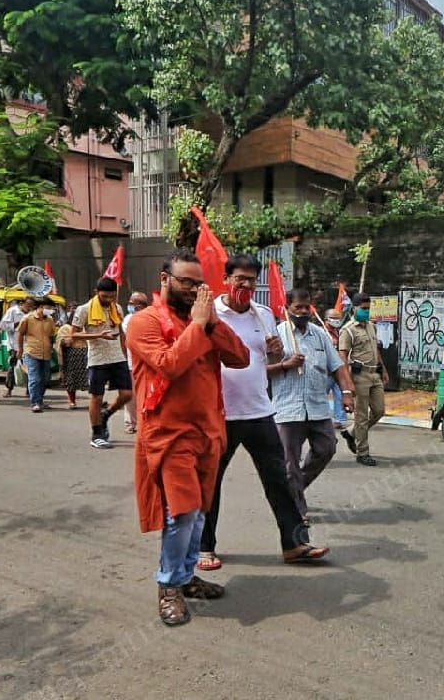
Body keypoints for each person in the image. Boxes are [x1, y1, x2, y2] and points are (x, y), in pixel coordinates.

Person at [126, 250, 249, 626]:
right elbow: (169, 364)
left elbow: (240, 358)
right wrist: (198, 325)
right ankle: (168, 587)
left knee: (198, 515)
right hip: (168, 434)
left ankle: (185, 575)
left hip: (208, 432)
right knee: (181, 512)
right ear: (164, 280)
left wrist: (211, 324)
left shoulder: (205, 321)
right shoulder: (143, 323)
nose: (195, 289)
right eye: (186, 282)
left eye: (199, 283)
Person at [199, 254, 330, 571]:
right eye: (239, 278)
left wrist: (277, 352)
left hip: (259, 411)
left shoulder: (264, 314)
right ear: (226, 280)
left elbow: (271, 360)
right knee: (210, 483)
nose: (245, 285)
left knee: (280, 480)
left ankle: (294, 543)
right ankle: (204, 547)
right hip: (221, 414)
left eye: (251, 280)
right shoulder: (210, 313)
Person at [270, 289, 355, 522]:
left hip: (317, 407)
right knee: (290, 463)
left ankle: (293, 489)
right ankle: (297, 510)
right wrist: (285, 363)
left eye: (307, 307)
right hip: (288, 410)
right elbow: (261, 371)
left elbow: (337, 366)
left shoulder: (319, 335)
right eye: (298, 307)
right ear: (286, 309)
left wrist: (346, 392)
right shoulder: (276, 336)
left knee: (327, 448)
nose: (304, 312)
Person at [73, 278, 133, 448]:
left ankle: (106, 414)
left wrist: (125, 352)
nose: (108, 300)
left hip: (118, 358)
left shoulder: (117, 308)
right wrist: (98, 336)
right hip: (97, 359)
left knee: (127, 394)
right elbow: (74, 335)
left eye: (112, 297)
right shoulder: (83, 310)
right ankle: (97, 433)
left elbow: (120, 332)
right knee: (97, 397)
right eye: (105, 296)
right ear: (96, 292)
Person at [337, 293, 389, 466]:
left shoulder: (371, 327)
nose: (366, 312)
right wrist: (347, 381)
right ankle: (362, 452)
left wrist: (384, 369)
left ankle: (350, 432)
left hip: (374, 373)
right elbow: (342, 357)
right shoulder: (348, 330)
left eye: (368, 309)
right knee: (361, 415)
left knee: (379, 411)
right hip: (359, 376)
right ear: (354, 308)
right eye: (363, 309)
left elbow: (376, 350)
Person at [16, 297, 58, 412]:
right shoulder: (27, 318)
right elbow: (20, 334)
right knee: (35, 378)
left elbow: (51, 335)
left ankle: (40, 400)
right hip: (31, 352)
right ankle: (35, 402)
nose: (50, 310)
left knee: (45, 378)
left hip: (46, 353)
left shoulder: (50, 320)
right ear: (41, 307)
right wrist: (19, 349)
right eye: (48, 308)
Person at [324, 307, 356, 454]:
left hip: (338, 369)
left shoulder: (340, 332)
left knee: (340, 393)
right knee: (320, 395)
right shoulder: (321, 332)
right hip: (325, 371)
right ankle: (320, 419)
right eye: (333, 318)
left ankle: (340, 419)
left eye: (338, 318)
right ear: (326, 319)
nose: (337, 321)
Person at [121, 291, 152, 434]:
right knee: (131, 396)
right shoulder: (127, 320)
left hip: (148, 365)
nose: (130, 305)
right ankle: (130, 423)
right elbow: (123, 341)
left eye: (133, 303)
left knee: (147, 396)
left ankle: (145, 423)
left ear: (141, 305)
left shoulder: (151, 318)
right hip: (130, 365)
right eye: (130, 303)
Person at [0, 298, 33, 397]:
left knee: (30, 368)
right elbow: (3, 326)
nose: (30, 307)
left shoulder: (32, 313)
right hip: (14, 345)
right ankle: (9, 389)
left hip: (28, 345)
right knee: (12, 367)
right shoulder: (12, 311)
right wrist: (18, 324)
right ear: (21, 303)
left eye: (31, 305)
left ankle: (29, 390)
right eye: (28, 305)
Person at [56, 315, 88, 409]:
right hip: (71, 357)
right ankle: (72, 401)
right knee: (71, 379)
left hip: (86, 355)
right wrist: (66, 341)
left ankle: (97, 401)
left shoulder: (86, 328)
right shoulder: (65, 328)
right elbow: (59, 341)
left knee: (91, 379)